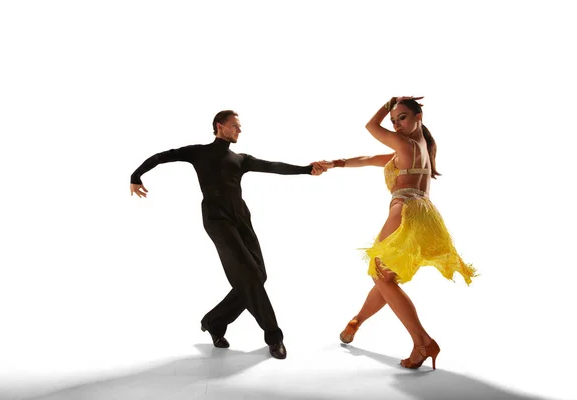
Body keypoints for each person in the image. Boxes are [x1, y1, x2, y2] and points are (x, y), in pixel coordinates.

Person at [130, 110, 326, 360]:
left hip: (242, 219)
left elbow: (273, 166)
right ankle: (274, 336)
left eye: (240, 126)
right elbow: (162, 156)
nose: (239, 130)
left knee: (258, 275)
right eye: (235, 125)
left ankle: (214, 321)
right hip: (217, 220)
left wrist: (307, 170)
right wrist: (135, 176)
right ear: (219, 126)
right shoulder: (198, 152)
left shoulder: (241, 159)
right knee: (251, 276)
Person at [318, 96, 476, 370]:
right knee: (386, 277)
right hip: (422, 213)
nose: (396, 124)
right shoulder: (414, 148)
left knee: (380, 273)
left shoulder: (407, 144)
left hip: (403, 208)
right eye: (393, 120)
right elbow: (368, 159)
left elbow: (370, 126)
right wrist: (334, 163)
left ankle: (422, 341)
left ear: (419, 117)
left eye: (401, 117)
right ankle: (356, 322)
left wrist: (386, 103)